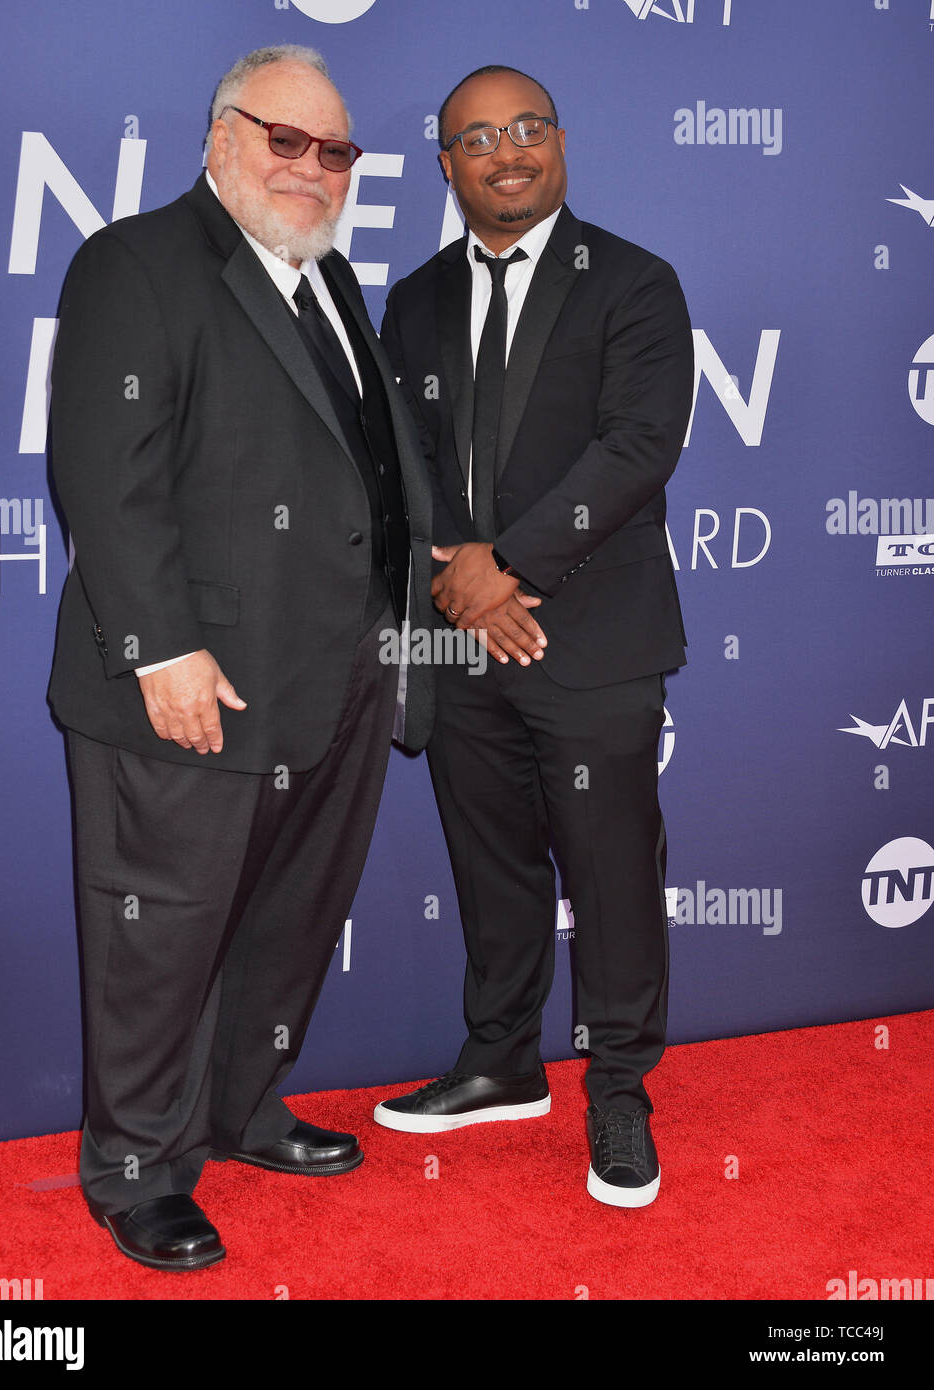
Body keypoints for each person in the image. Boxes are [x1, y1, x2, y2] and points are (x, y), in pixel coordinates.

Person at [47, 44, 433, 1270]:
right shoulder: (136, 264)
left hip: (338, 676)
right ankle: (134, 1168)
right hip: (192, 682)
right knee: (159, 936)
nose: (313, 170)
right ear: (220, 136)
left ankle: (239, 1110)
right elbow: (106, 481)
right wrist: (160, 647)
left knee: (287, 918)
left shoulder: (331, 280)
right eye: (286, 141)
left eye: (336, 153)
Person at [376, 65, 693, 1208]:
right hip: (462, 637)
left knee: (609, 873)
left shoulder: (633, 284)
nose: (505, 153)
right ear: (446, 161)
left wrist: (504, 565)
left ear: (556, 141)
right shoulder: (410, 300)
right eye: (476, 137)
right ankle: (500, 1057)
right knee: (491, 859)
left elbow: (635, 446)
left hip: (592, 636)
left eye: (525, 130)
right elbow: (403, 462)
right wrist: (458, 577)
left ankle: (617, 1084)